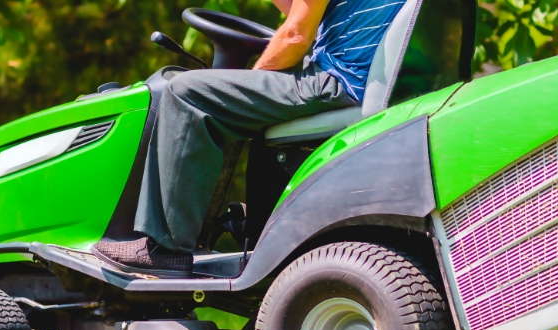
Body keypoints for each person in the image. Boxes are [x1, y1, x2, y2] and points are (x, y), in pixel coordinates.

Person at [91, 0, 406, 274]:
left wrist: (240, 84)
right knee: (217, 97)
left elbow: (296, 35)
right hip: (354, 80)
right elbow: (300, 9)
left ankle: (164, 249)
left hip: (337, 82)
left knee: (185, 93)